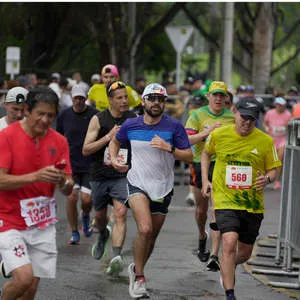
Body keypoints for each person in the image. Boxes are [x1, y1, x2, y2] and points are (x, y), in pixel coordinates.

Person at [109, 83, 193, 298]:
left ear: (164, 103)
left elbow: (189, 156)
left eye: (160, 99)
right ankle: (139, 278)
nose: (156, 103)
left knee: (152, 237)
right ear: (143, 101)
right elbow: (115, 141)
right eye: (152, 98)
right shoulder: (131, 124)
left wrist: (169, 148)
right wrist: (115, 160)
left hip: (163, 187)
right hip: (137, 183)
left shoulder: (174, 126)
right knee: (144, 229)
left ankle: (136, 269)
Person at [201, 97, 281, 300]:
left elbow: (275, 168)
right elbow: (205, 153)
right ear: (235, 112)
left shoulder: (265, 140)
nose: (247, 122)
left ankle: (227, 265)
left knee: (243, 254)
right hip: (225, 200)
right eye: (244, 117)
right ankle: (230, 294)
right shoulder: (219, 134)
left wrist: (268, 178)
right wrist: (205, 180)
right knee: (229, 242)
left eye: (252, 120)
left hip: (252, 204)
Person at [0, 87, 74, 300]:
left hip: (42, 222)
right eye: (40, 113)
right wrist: (35, 176)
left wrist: (63, 181)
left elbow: (68, 184)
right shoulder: (6, 137)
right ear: (27, 110)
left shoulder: (59, 141)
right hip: (9, 219)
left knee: (30, 288)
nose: (44, 120)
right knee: (23, 278)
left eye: (50, 115)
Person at [82, 80, 136, 275]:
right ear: (110, 100)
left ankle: (116, 256)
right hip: (99, 175)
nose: (124, 101)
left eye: (125, 97)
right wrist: (108, 137)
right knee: (100, 217)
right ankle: (103, 234)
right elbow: (86, 149)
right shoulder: (99, 119)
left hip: (121, 175)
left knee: (121, 213)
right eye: (119, 98)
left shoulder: (132, 118)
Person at [185, 81, 235, 270]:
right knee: (201, 210)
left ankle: (214, 254)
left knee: (217, 209)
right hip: (199, 164)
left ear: (226, 98)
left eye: (221, 95)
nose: (218, 98)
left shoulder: (232, 117)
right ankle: (201, 235)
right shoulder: (197, 115)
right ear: (208, 96)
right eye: (215, 95)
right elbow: (187, 139)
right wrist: (208, 133)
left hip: (223, 165)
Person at [56, 84, 98, 245]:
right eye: (76, 98)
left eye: (82, 98)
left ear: (86, 98)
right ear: (72, 98)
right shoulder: (64, 116)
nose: (79, 101)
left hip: (90, 164)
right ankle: (74, 231)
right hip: (70, 164)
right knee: (72, 197)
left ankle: (86, 216)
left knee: (87, 200)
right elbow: (58, 138)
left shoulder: (95, 115)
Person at [262, 97, 292, 189]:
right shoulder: (270, 113)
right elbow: (264, 123)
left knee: (280, 158)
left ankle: (277, 181)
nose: (281, 107)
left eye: (282, 105)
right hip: (272, 139)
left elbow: (290, 125)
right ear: (276, 105)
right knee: (270, 159)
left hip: (282, 139)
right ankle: (266, 178)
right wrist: (267, 128)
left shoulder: (287, 114)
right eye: (279, 105)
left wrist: (286, 128)